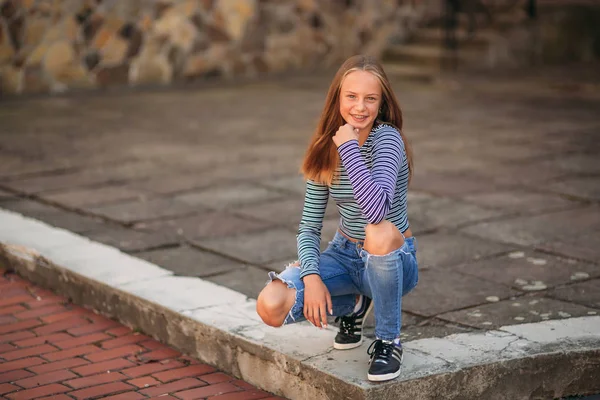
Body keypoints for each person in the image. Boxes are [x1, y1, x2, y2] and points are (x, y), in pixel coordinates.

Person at [256, 54, 418, 382]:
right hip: (345, 254)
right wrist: (313, 278)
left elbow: (377, 212)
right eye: (352, 97)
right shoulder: (324, 147)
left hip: (394, 259)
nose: (360, 107)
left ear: (382, 102)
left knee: (379, 233)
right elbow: (309, 227)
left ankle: (389, 341)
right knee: (271, 305)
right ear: (337, 99)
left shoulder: (388, 140)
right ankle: (355, 304)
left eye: (370, 98)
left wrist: (349, 149)